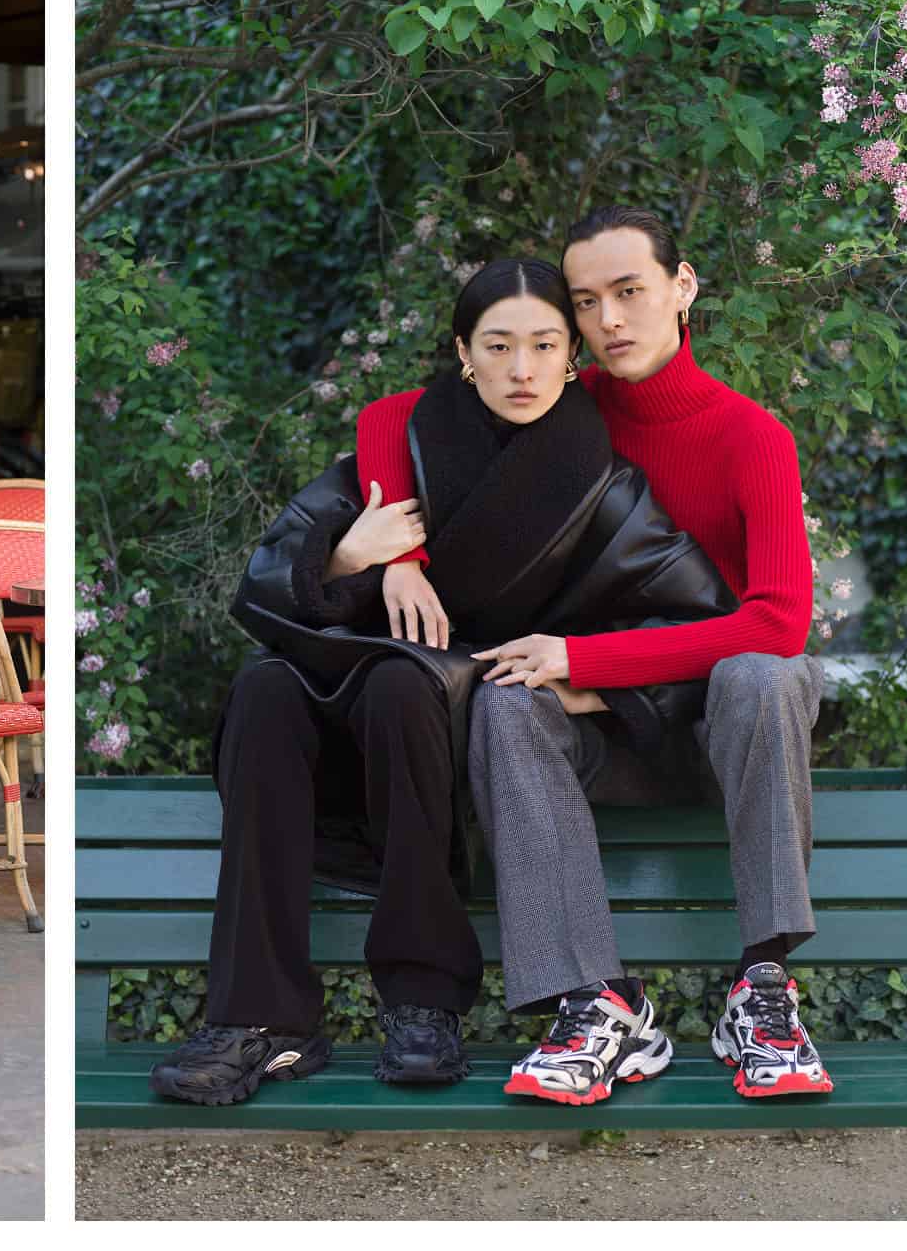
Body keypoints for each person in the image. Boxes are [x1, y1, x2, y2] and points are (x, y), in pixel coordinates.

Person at [149, 259, 736, 1106]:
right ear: (465, 353)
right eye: (499, 346)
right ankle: (260, 1018)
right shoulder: (405, 445)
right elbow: (266, 583)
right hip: (354, 752)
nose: (522, 369)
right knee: (265, 692)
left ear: (574, 358)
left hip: (469, 752)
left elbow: (699, 625)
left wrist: (584, 673)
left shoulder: (606, 487)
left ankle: (424, 1002)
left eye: (544, 346)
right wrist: (355, 556)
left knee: (401, 685)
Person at [365, 206, 829, 1104]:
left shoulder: (752, 437)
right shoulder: (567, 419)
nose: (610, 319)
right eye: (588, 301)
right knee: (504, 694)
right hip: (609, 734)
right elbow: (398, 414)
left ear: (682, 288)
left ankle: (764, 991)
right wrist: (400, 554)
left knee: (763, 673)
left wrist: (588, 665)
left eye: (630, 292)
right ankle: (598, 1002)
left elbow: (776, 623)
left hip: (728, 728)